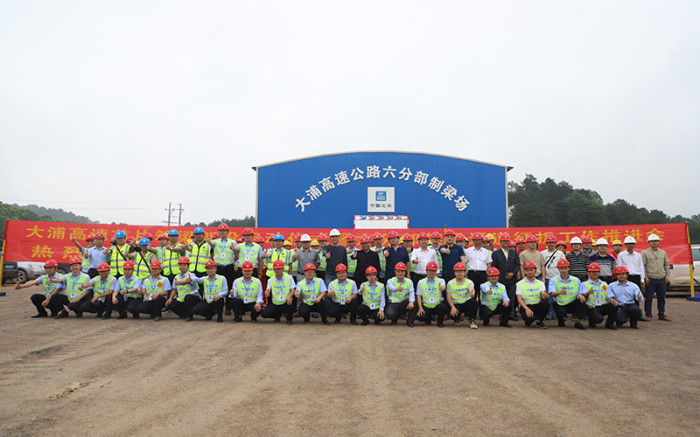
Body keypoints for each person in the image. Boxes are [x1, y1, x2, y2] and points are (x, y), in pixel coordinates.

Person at [208, 223, 239, 314]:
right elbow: (212, 244)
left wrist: (231, 260)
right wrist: (209, 241)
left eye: (224, 230)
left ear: (227, 232)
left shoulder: (233, 242)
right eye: (220, 230)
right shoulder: (216, 242)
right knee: (217, 286)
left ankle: (228, 308)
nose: (222, 232)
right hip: (218, 268)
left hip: (229, 267)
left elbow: (236, 254)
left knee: (229, 287)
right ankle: (217, 307)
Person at [548, 259, 586, 330]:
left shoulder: (576, 280)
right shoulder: (553, 280)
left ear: (569, 268)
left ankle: (578, 321)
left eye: (565, 268)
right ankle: (561, 320)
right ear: (558, 269)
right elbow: (552, 294)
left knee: (582, 300)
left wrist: (580, 295)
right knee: (561, 312)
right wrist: (559, 292)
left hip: (572, 303)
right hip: (560, 304)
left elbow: (580, 292)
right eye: (561, 268)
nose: (563, 270)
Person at [490, 233, 520, 321]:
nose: (505, 243)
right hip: (500, 279)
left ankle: (511, 314)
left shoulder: (514, 253)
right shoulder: (495, 253)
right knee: (501, 298)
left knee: (512, 297)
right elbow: (494, 266)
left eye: (507, 241)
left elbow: (517, 265)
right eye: (503, 241)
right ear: (500, 242)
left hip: (512, 279)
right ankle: (502, 314)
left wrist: (513, 274)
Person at [641, 233, 671, 321]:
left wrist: (667, 276)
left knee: (662, 297)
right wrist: (645, 277)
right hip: (650, 278)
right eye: (652, 241)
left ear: (659, 242)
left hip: (661, 278)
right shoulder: (644, 253)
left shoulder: (663, 252)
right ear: (649, 242)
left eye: (656, 241)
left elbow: (666, 265)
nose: (654, 242)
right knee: (649, 297)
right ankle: (648, 314)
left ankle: (661, 314)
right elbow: (643, 266)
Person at [581, 262, 617, 329]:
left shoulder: (604, 284)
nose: (594, 273)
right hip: (591, 307)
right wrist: (588, 293)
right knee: (598, 319)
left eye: (596, 271)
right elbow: (582, 296)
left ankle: (609, 324)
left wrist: (612, 300)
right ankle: (591, 320)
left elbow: (609, 296)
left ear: (599, 272)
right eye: (592, 272)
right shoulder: (584, 284)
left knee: (614, 305)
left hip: (602, 305)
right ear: (588, 273)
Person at [261, 259, 297, 325]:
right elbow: (268, 289)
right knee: (264, 314)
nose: (278, 271)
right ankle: (277, 316)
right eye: (276, 269)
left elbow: (293, 289)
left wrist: (289, 297)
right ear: (273, 269)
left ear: (283, 269)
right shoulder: (270, 280)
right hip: (275, 302)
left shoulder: (289, 277)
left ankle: (289, 319)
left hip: (286, 301)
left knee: (291, 303)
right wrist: (267, 292)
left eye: (279, 269)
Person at [516, 261, 549, 328]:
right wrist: (527, 309)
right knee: (529, 319)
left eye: (531, 270)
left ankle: (540, 321)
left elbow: (545, 296)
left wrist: (545, 296)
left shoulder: (540, 283)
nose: (529, 272)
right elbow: (519, 299)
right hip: (526, 306)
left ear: (535, 270)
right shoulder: (520, 284)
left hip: (536, 305)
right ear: (525, 271)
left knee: (545, 304)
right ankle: (530, 319)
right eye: (527, 270)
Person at [415, 261, 449, 327]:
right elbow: (418, 296)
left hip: (437, 305)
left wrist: (443, 287)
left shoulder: (441, 280)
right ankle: (428, 319)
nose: (431, 272)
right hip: (426, 305)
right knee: (420, 317)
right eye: (430, 270)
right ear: (426, 271)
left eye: (433, 271)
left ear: (436, 272)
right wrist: (420, 308)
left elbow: (443, 286)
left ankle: (440, 322)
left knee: (443, 307)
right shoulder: (421, 282)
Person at [446, 262, 478, 329]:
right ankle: (457, 318)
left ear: (464, 272)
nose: (459, 273)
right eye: (457, 271)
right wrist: (452, 307)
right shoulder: (450, 283)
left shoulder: (469, 282)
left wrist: (472, 292)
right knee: (453, 315)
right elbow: (448, 296)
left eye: (461, 271)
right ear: (454, 272)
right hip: (456, 304)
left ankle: (472, 320)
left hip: (466, 303)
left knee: (474, 302)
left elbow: (471, 288)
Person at [385, 262, 416, 327]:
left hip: (404, 303)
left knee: (413, 303)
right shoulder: (390, 280)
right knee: (390, 313)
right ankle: (395, 319)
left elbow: (411, 292)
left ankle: (410, 321)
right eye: (398, 271)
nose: (400, 273)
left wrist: (411, 302)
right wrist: (396, 288)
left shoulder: (409, 281)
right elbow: (391, 287)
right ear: (395, 272)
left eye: (402, 271)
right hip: (393, 303)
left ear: (405, 272)